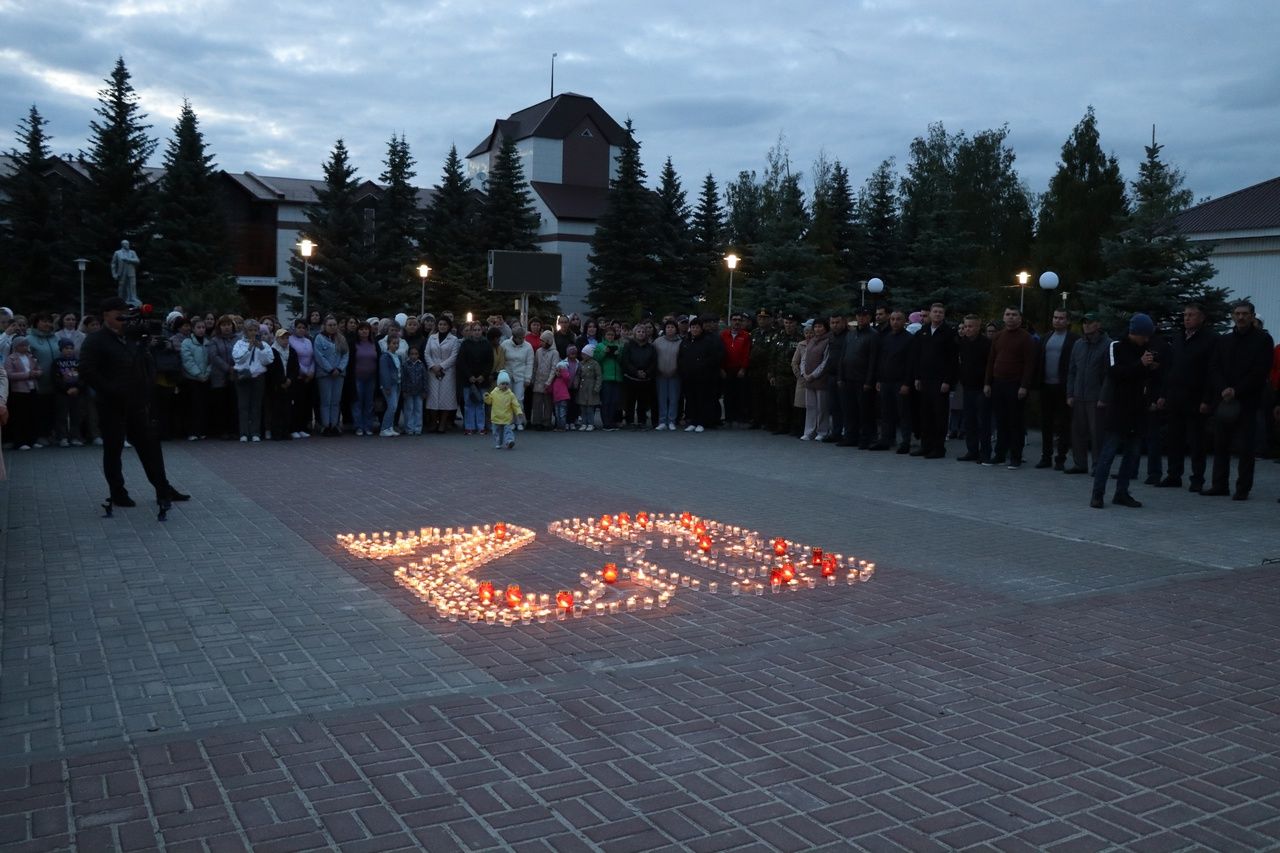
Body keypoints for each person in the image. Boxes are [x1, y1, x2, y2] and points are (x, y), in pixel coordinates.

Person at [78, 297, 189, 510]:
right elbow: (87, 370)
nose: (123, 316)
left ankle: (162, 488)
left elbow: (146, 364)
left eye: (125, 311)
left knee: (150, 447)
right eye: (118, 312)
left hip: (137, 403)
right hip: (111, 404)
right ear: (106, 315)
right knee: (113, 449)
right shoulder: (96, 340)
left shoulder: (132, 338)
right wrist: (110, 389)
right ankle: (118, 492)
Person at [1203, 301, 1275, 500]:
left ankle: (1243, 488)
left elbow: (1260, 371)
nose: (1240, 317)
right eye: (1237, 313)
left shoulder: (1263, 340)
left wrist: (1237, 390)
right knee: (1220, 444)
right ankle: (1219, 484)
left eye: (1244, 313)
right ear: (1232, 316)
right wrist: (1223, 388)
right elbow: (1214, 367)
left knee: (1245, 447)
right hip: (1224, 400)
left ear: (1252, 316)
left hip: (1248, 401)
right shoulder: (1224, 341)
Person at [1091, 314, 1160, 508]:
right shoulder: (1116, 347)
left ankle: (1122, 492)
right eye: (1144, 335)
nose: (1147, 339)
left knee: (1132, 454)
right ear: (1135, 332)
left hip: (1138, 409)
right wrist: (1140, 365)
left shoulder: (1146, 349)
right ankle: (1098, 493)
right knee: (1108, 453)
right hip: (1119, 408)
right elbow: (1115, 373)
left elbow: (1146, 376)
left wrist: (1152, 368)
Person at [1159, 302, 1216, 491]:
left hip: (1196, 397)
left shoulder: (1210, 339)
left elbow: (1211, 371)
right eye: (1185, 315)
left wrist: (1207, 399)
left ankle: (1197, 478)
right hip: (1175, 396)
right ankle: (1174, 475)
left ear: (1202, 318)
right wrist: (1164, 394)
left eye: (1191, 315)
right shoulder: (1178, 337)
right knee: (1174, 438)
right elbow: (1169, 367)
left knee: (1196, 440)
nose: (1187, 318)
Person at [984, 307, 1036, 468]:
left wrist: (1024, 386)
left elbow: (1030, 364)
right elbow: (991, 361)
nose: (1011, 317)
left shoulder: (1026, 338)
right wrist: (987, 383)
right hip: (998, 384)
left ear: (1020, 319)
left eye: (1014, 315)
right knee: (1001, 422)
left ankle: (1015, 457)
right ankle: (999, 455)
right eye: (1007, 314)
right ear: (1003, 317)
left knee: (1015, 423)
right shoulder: (998, 336)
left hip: (1016, 385)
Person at [1065, 313, 1111, 475]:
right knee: (1077, 432)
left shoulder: (1108, 345)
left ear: (1098, 324)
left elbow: (1109, 375)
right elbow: (1072, 371)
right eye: (1084, 323)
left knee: (1097, 433)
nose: (1086, 325)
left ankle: (1098, 465)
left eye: (1090, 322)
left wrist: (1103, 397)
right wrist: (1070, 394)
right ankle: (1080, 464)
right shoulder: (1078, 344)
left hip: (1096, 397)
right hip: (1078, 396)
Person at [911, 303, 958, 459]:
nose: (937, 314)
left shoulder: (948, 333)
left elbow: (953, 360)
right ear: (930, 314)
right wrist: (917, 377)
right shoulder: (922, 332)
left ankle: (938, 448)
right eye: (935, 312)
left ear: (944, 315)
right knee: (925, 415)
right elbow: (916, 356)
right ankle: (926, 446)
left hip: (940, 381)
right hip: (924, 380)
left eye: (940, 312)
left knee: (939, 415)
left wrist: (947, 381)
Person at [1035, 308, 1078, 470]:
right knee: (1046, 423)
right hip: (1046, 386)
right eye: (1055, 317)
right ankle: (1046, 457)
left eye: (1061, 318)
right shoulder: (1046, 338)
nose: (1057, 320)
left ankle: (1060, 458)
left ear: (1067, 321)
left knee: (1063, 424)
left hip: (1064, 387)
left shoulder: (1074, 340)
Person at [871, 310, 913, 452]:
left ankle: (905, 442)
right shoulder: (886, 338)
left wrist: (907, 383)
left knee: (903, 414)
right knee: (886, 413)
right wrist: (879, 379)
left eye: (898, 319)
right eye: (893, 319)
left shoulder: (909, 339)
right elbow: (881, 360)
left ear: (904, 321)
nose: (895, 322)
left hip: (900, 382)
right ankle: (885, 440)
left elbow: (910, 364)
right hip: (885, 381)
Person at [838, 306, 879, 449]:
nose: (861, 318)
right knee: (849, 410)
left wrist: (869, 381)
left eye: (864, 316)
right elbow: (843, 356)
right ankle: (850, 437)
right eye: (859, 315)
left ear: (869, 318)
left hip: (862, 380)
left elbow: (873, 360)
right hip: (848, 378)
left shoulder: (873, 335)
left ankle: (865, 438)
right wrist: (840, 376)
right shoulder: (850, 334)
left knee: (864, 412)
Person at [955, 314, 992, 463]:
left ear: (978, 327)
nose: (968, 329)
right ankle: (972, 450)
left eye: (971, 326)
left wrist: (988, 384)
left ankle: (985, 453)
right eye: (965, 326)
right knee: (969, 422)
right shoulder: (962, 342)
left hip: (982, 388)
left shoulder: (986, 344)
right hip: (967, 387)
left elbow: (990, 365)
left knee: (983, 422)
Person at [231, 322, 274, 442]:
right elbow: (238, 359)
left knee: (256, 405)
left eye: (255, 330)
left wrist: (260, 347)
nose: (253, 333)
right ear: (245, 331)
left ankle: (255, 432)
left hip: (258, 377)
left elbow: (268, 360)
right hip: (243, 377)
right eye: (250, 330)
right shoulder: (239, 344)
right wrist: (249, 348)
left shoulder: (263, 344)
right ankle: (244, 433)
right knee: (243, 405)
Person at [678, 317, 720, 433]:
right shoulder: (686, 341)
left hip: (703, 377)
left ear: (701, 329)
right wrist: (683, 369)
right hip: (689, 377)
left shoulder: (708, 341)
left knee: (702, 400)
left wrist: (703, 367)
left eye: (697, 327)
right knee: (691, 400)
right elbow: (681, 357)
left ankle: (701, 422)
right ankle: (693, 421)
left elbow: (713, 359)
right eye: (693, 327)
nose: (695, 329)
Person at [313, 317, 349, 436]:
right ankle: (326, 425)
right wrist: (330, 369)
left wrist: (339, 368)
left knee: (335, 401)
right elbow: (319, 356)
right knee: (326, 401)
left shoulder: (341, 338)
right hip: (325, 375)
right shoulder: (319, 338)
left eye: (334, 325)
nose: (333, 327)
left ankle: (334, 425)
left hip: (339, 374)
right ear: (325, 325)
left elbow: (345, 355)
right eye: (330, 325)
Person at [425, 316, 461, 433]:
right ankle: (433, 422)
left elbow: (454, 356)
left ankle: (443, 423)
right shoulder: (432, 338)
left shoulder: (454, 339)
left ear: (449, 326)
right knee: (433, 398)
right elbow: (427, 353)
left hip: (447, 372)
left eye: (445, 324)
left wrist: (441, 366)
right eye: (440, 324)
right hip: (433, 372)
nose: (442, 326)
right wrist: (433, 366)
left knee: (446, 398)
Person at [799, 317, 832, 441]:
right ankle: (809, 431)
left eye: (820, 327)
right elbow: (804, 358)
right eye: (816, 327)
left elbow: (825, 362)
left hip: (820, 379)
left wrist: (813, 375)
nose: (817, 329)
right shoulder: (812, 340)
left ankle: (822, 431)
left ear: (825, 328)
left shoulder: (828, 341)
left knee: (822, 407)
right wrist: (804, 373)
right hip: (808, 379)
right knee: (811, 406)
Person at [457, 321, 493, 436]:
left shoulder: (486, 344)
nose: (477, 332)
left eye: (479, 330)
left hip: (482, 379)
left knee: (481, 404)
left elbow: (490, 362)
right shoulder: (465, 344)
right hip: (469, 380)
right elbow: (461, 361)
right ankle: (469, 426)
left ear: (482, 330)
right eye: (475, 330)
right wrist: (469, 376)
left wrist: (483, 375)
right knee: (468, 404)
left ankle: (481, 426)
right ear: (471, 332)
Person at [2, 336, 38, 450]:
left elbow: (37, 368)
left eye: (26, 345)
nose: (25, 347)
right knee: (20, 417)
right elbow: (9, 374)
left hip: (32, 388)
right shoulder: (11, 358)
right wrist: (27, 375)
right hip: (19, 390)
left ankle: (32, 440)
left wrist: (38, 372)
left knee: (32, 415)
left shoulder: (31, 357)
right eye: (22, 345)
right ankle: (20, 441)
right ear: (16, 346)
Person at [771, 314, 803, 436]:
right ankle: (782, 426)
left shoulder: (800, 338)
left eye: (791, 323)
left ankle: (796, 427)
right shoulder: (778, 336)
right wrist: (771, 373)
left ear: (796, 324)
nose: (789, 325)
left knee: (795, 403)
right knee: (781, 402)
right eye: (786, 323)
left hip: (794, 376)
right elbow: (773, 355)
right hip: (780, 375)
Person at [207, 315, 238, 439]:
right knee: (221, 405)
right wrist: (227, 368)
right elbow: (214, 357)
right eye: (224, 325)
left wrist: (235, 368)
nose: (227, 327)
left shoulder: (238, 339)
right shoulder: (214, 340)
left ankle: (233, 430)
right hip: (219, 376)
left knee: (233, 404)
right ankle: (222, 430)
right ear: (219, 327)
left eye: (229, 325)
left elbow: (241, 353)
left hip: (235, 375)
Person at [621, 323, 657, 429]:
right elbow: (626, 361)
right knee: (630, 401)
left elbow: (654, 362)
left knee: (643, 402)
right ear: (634, 333)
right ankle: (629, 421)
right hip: (631, 378)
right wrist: (636, 372)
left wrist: (646, 372)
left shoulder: (651, 347)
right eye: (639, 331)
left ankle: (642, 421)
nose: (641, 334)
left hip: (645, 379)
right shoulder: (628, 345)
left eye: (643, 332)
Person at [180, 318, 211, 440]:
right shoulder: (187, 342)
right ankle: (191, 431)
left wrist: (207, 373)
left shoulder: (208, 342)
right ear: (193, 329)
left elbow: (211, 360)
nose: (201, 330)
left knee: (203, 405)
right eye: (198, 327)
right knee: (192, 406)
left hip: (206, 378)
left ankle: (202, 430)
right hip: (192, 379)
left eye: (203, 327)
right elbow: (187, 360)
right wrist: (198, 374)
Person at [720, 312, 752, 428]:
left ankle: (739, 418)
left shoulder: (746, 336)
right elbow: (721, 353)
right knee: (728, 395)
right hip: (727, 369)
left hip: (739, 370)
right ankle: (728, 418)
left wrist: (743, 368)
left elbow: (746, 353)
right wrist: (721, 368)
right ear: (730, 321)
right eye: (734, 320)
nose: (737, 322)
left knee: (740, 395)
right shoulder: (723, 335)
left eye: (739, 320)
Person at [499, 324, 533, 430]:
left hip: (520, 375)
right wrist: (501, 375)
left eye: (524, 337)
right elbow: (501, 360)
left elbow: (529, 363)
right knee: (508, 399)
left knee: (518, 399)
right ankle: (510, 421)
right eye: (520, 338)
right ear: (514, 337)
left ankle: (519, 421)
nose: (522, 340)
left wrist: (528, 378)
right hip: (507, 376)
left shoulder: (528, 347)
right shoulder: (505, 344)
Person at [52, 338, 84, 447]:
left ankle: (75, 437)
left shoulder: (78, 362)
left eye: (71, 348)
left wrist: (78, 388)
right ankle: (62, 437)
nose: (69, 350)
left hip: (76, 392)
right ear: (61, 349)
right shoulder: (57, 362)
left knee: (76, 415)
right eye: (66, 348)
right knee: (62, 415)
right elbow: (55, 378)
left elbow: (83, 377)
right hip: (62, 393)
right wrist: (66, 389)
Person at [652, 319, 683, 431]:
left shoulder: (681, 342)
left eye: (672, 327)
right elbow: (653, 358)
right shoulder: (658, 341)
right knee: (662, 398)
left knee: (674, 399)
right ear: (664, 329)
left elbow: (682, 359)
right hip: (661, 374)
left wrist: (677, 369)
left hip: (675, 374)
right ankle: (662, 421)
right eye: (668, 327)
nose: (670, 329)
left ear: (676, 329)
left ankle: (671, 421)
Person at [288, 319, 316, 438]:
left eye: (303, 328)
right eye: (299, 327)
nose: (301, 330)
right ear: (294, 328)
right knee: (295, 403)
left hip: (308, 378)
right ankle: (294, 428)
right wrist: (304, 371)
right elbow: (294, 359)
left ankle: (302, 427)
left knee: (305, 403)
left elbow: (313, 357)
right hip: (297, 376)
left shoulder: (308, 341)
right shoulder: (290, 340)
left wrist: (311, 371)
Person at [748, 309, 776, 430]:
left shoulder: (776, 334)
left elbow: (775, 353)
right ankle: (756, 419)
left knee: (769, 396)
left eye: (765, 318)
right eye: (760, 318)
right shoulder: (754, 333)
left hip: (767, 368)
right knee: (755, 396)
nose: (762, 320)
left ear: (770, 319)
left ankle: (769, 421)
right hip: (754, 370)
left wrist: (771, 370)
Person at [267, 328, 295, 441]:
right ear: (277, 338)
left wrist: (290, 379)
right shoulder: (272, 351)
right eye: (282, 338)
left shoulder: (292, 351)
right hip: (276, 386)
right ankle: (276, 432)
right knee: (276, 410)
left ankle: (286, 431)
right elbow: (271, 370)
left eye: (287, 338)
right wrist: (281, 381)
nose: (285, 340)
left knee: (287, 409)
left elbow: (295, 367)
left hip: (289, 384)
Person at [595, 327, 624, 431]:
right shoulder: (600, 346)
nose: (610, 337)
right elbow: (597, 359)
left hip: (617, 377)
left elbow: (622, 361)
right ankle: (606, 423)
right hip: (605, 377)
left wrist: (618, 355)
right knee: (606, 401)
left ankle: (612, 422)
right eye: (608, 335)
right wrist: (604, 352)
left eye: (612, 335)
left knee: (615, 401)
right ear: (604, 336)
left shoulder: (619, 346)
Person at [378, 325, 405, 437]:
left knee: (394, 407)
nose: (395, 345)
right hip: (389, 385)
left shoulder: (397, 357)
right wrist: (387, 386)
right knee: (392, 406)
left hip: (397, 384)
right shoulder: (385, 356)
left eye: (397, 343)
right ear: (388, 344)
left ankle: (390, 427)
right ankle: (384, 428)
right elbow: (384, 372)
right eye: (393, 343)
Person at [485, 370, 523, 449]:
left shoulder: (510, 394)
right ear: (498, 384)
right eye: (503, 384)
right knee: (496, 432)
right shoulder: (494, 393)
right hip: (496, 417)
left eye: (506, 384)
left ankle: (509, 441)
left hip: (506, 417)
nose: (505, 386)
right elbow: (489, 402)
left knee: (508, 430)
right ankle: (498, 442)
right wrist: (487, 397)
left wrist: (518, 412)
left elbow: (515, 404)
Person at [531, 329, 559, 429]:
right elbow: (535, 366)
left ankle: (546, 422)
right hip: (538, 380)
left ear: (548, 341)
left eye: (543, 341)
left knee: (548, 403)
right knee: (537, 402)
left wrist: (549, 381)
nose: (541, 342)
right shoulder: (538, 351)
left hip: (548, 381)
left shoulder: (554, 353)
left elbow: (554, 368)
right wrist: (533, 378)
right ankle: (536, 422)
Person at [400, 347, 428, 435]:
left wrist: (425, 390)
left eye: (416, 354)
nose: (414, 356)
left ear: (419, 355)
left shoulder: (421, 365)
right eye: (412, 354)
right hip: (409, 391)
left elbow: (425, 378)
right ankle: (409, 428)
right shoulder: (405, 365)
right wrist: (404, 390)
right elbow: (403, 379)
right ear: (408, 355)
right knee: (409, 409)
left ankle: (418, 428)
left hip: (419, 391)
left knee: (418, 409)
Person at [575, 343, 603, 430]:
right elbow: (577, 375)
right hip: (582, 387)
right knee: (583, 406)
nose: (582, 355)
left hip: (591, 386)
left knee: (590, 406)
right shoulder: (580, 363)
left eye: (584, 354)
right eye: (582, 354)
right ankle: (584, 423)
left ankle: (591, 423)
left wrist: (597, 387)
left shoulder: (595, 364)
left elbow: (599, 376)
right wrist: (576, 384)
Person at [111, 239, 141, 306]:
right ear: (123, 245)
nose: (128, 245)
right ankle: (120, 299)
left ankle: (133, 298)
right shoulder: (117, 253)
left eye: (128, 244)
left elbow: (137, 261)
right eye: (126, 244)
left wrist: (128, 260)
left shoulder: (132, 252)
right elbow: (113, 264)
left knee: (132, 285)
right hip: (121, 272)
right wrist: (114, 274)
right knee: (122, 286)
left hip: (131, 271)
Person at [550, 359, 572, 430]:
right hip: (556, 399)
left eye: (560, 371)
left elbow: (567, 377)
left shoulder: (564, 379)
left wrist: (563, 370)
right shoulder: (555, 380)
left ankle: (562, 427)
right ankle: (558, 426)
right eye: (557, 370)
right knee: (557, 413)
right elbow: (550, 387)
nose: (558, 372)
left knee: (562, 413)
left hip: (563, 398)